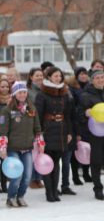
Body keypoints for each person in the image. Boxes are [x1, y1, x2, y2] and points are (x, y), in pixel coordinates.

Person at [0, 82, 43, 207]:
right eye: (20, 92)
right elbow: (2, 131)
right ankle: (11, 197)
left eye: (24, 92)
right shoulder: (6, 110)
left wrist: (40, 143)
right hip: (13, 148)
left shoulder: (31, 109)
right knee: (17, 175)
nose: (22, 95)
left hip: (27, 148)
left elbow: (37, 128)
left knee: (27, 176)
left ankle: (20, 196)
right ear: (14, 94)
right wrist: (2, 148)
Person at [35, 66, 73, 202]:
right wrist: (38, 134)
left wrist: (69, 132)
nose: (58, 78)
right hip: (48, 130)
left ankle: (55, 192)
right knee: (48, 162)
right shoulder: (42, 94)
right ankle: (49, 192)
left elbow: (68, 114)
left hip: (61, 130)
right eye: (56, 76)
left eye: (60, 76)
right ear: (49, 77)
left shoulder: (64, 93)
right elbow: (38, 116)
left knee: (56, 162)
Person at [79, 70, 104, 200]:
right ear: (92, 80)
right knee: (96, 161)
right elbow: (78, 115)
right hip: (95, 134)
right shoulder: (85, 95)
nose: (101, 80)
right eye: (98, 78)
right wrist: (85, 113)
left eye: (102, 77)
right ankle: (98, 189)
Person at [68, 67, 91, 186]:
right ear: (76, 75)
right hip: (76, 123)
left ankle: (87, 173)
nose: (83, 76)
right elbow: (72, 105)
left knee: (86, 148)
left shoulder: (89, 86)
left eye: (85, 73)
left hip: (88, 123)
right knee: (75, 150)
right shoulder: (72, 88)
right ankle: (75, 176)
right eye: (81, 74)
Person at [27, 67, 45, 189]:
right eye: (37, 75)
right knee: (33, 152)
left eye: (41, 75)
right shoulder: (28, 91)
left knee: (41, 151)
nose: (39, 77)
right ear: (31, 77)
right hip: (32, 125)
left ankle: (39, 178)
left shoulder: (45, 90)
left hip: (44, 125)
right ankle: (33, 178)